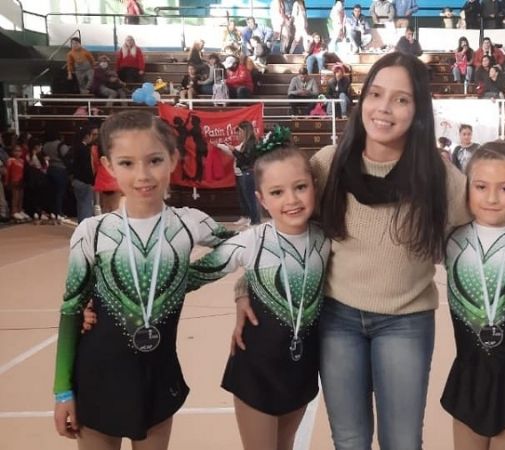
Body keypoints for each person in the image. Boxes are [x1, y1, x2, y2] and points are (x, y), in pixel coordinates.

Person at [231, 51, 470, 449]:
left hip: (405, 322)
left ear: (419, 109)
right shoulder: (329, 165)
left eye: (401, 99)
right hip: (337, 319)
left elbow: (479, 236)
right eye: (376, 94)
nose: (385, 108)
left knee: (402, 441)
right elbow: (287, 237)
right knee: (350, 438)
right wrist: (244, 288)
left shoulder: (438, 176)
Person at [52, 110, 233, 448]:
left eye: (154, 160)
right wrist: (62, 390)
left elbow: (246, 247)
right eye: (127, 163)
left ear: (173, 159)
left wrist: (190, 279)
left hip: (157, 377)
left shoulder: (189, 223)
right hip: (97, 378)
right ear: (107, 165)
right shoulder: (93, 232)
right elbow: (71, 310)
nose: (143, 175)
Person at [190, 129, 331, 450]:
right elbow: (189, 277)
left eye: (300, 187)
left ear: (314, 187)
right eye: (277, 192)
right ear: (261, 199)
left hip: (302, 366)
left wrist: (243, 289)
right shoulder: (252, 240)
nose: (292, 200)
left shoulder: (326, 240)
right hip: (256, 368)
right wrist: (97, 301)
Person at [442, 140, 505, 449]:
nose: (492, 198)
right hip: (469, 372)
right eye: (481, 186)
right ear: (466, 188)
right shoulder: (450, 240)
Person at [216, 121, 262, 227]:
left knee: (251, 198)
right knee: (247, 197)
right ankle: (252, 219)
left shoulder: (251, 143)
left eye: (240, 132)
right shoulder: (247, 143)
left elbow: (245, 159)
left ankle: (255, 220)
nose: (238, 134)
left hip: (248, 172)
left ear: (245, 131)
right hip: (245, 171)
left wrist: (234, 151)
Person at [70, 126, 98, 223]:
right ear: (87, 136)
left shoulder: (75, 148)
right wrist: (91, 181)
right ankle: (85, 229)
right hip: (84, 181)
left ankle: (81, 227)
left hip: (76, 180)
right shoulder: (85, 149)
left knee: (81, 205)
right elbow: (87, 168)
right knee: (86, 206)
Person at [42, 127, 70, 224]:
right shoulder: (61, 145)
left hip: (50, 169)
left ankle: (52, 212)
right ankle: (59, 212)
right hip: (60, 169)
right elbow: (67, 155)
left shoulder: (45, 145)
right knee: (60, 192)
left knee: (51, 192)